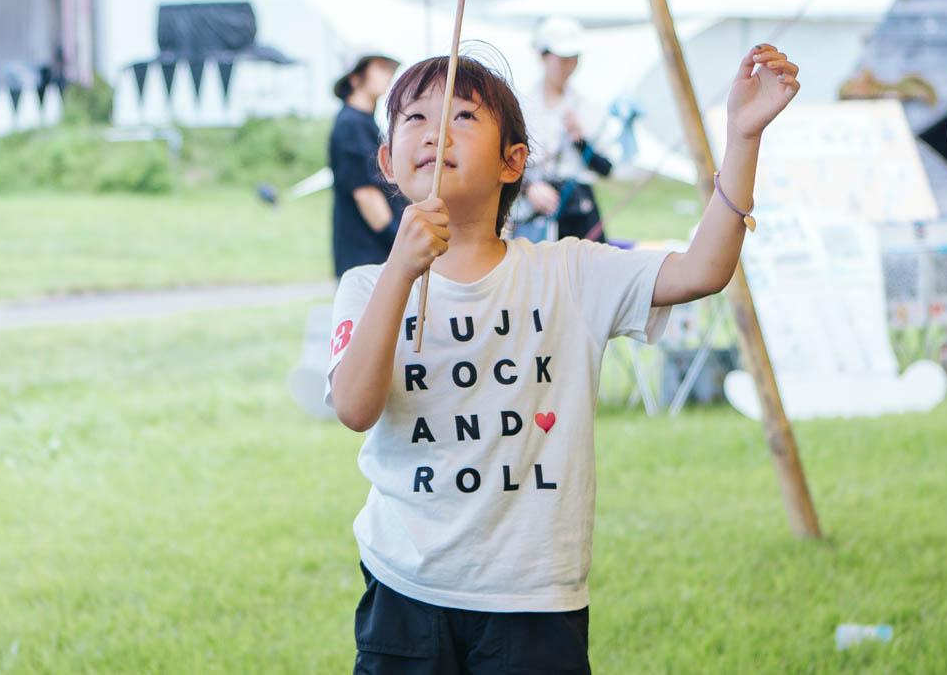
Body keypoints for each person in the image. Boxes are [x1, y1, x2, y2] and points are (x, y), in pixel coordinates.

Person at [325, 43, 800, 673]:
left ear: (513, 160)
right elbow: (355, 409)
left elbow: (702, 270)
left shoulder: (570, 271)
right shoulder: (365, 287)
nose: (435, 131)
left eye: (463, 116)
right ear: (387, 159)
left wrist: (742, 137)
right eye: (414, 117)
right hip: (405, 592)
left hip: (533, 598)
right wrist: (401, 273)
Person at [517, 16, 614, 242]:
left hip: (579, 209)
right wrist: (529, 188)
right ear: (543, 55)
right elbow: (503, 160)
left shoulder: (588, 107)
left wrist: (580, 140)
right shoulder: (521, 105)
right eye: (561, 58)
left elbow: (606, 168)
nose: (568, 66)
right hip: (533, 209)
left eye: (573, 59)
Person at [330, 50, 409, 279]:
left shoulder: (365, 123)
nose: (389, 76)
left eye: (391, 71)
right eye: (382, 69)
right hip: (365, 250)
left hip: (375, 249)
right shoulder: (350, 124)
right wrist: (398, 242)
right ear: (355, 78)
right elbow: (365, 193)